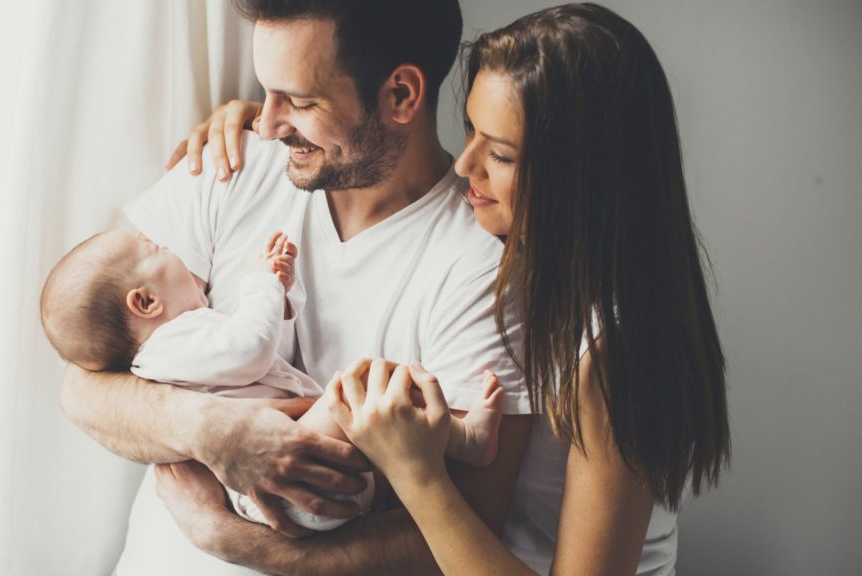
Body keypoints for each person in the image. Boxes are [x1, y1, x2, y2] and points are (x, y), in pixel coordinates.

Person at [159, 3, 731, 575]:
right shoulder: (534, 269)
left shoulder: (617, 353)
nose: (465, 165)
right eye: (473, 135)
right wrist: (285, 116)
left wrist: (415, 472)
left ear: (581, 179)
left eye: (499, 154)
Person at [59, 1, 534, 574]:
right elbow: (83, 386)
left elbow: (458, 539)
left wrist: (227, 538)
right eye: (268, 91)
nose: (266, 122)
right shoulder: (231, 163)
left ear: (402, 95)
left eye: (301, 101)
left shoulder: (483, 269)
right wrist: (211, 430)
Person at [41, 229, 505, 532]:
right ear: (144, 302)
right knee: (361, 383)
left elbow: (267, 362)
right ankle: (465, 440)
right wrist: (259, 283)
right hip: (289, 479)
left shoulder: (186, 347)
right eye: (155, 249)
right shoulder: (170, 345)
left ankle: (438, 453)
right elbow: (250, 350)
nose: (170, 248)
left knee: (377, 421)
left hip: (296, 484)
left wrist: (278, 297)